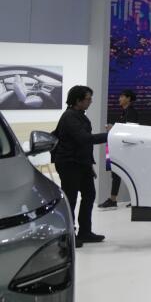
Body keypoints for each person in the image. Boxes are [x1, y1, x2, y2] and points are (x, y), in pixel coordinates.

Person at [53, 85, 110, 246]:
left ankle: (85, 232)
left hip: (81, 163)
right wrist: (110, 135)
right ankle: (70, 236)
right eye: (88, 99)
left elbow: (84, 145)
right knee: (70, 200)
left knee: (89, 195)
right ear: (78, 100)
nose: (90, 102)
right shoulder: (70, 117)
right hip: (69, 163)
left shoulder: (78, 115)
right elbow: (84, 139)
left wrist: (89, 166)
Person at [98, 89, 139, 210]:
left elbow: (130, 131)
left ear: (128, 99)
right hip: (118, 147)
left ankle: (117, 200)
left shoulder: (132, 113)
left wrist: (113, 128)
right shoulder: (124, 112)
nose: (119, 99)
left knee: (121, 173)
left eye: (122, 97)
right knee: (115, 173)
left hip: (126, 148)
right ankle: (113, 199)